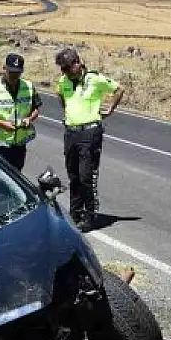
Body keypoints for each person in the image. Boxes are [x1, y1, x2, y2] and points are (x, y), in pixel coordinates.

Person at [55, 47, 124, 231]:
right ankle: (75, 213)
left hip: (90, 133)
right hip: (71, 132)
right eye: (63, 69)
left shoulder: (94, 79)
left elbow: (118, 89)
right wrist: (68, 112)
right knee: (73, 175)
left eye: (68, 68)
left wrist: (110, 109)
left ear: (78, 63)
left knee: (86, 176)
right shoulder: (63, 81)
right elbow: (60, 95)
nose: (65, 72)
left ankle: (90, 214)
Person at [0, 53, 41, 171]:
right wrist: (2, 124)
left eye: (17, 73)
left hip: (19, 143)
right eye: (11, 72)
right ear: (4, 68)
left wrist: (30, 119)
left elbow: (36, 108)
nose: (14, 76)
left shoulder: (29, 87)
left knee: (16, 174)